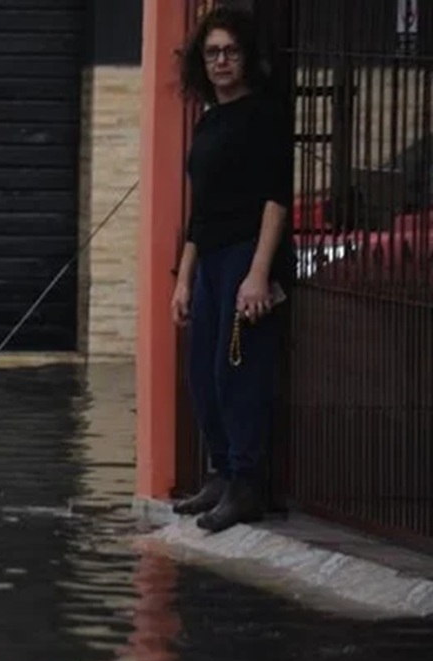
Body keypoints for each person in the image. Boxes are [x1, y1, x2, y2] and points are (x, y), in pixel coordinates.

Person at [169, 6, 297, 533]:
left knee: (238, 369)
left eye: (230, 51)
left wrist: (259, 273)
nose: (221, 61)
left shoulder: (264, 115)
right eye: (212, 53)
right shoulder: (208, 120)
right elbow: (200, 210)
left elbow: (276, 198)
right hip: (211, 259)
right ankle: (220, 473)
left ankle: (247, 484)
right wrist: (183, 278)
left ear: (246, 57)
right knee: (202, 373)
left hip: (248, 254)